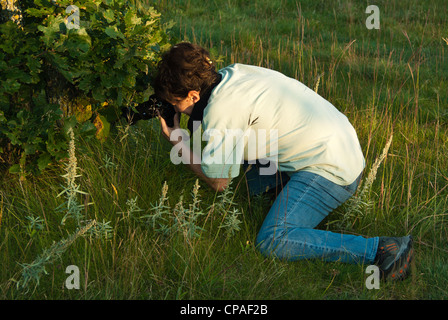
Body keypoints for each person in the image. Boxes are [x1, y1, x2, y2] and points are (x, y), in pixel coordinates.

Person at [153, 42, 413, 281]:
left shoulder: (221, 109)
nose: (177, 110)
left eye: (177, 103)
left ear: (194, 95)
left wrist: (179, 143)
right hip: (337, 144)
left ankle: (381, 250)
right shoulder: (232, 74)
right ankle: (279, 192)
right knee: (243, 181)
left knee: (273, 239)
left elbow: (219, 181)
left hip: (330, 169)